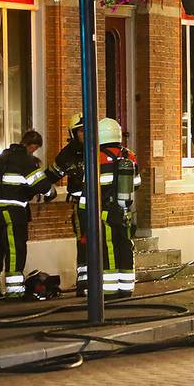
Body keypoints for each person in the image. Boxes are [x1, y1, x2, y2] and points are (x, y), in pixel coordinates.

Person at [0, 131, 62, 299]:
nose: (34, 152)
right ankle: (14, 290)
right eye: (35, 149)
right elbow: (40, 184)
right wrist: (51, 193)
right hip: (14, 212)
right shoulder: (26, 160)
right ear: (32, 145)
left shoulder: (3, 156)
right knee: (15, 249)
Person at [78, 118, 141, 299]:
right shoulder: (130, 155)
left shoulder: (94, 158)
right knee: (125, 246)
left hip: (104, 212)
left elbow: (87, 190)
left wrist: (84, 216)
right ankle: (126, 286)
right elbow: (136, 184)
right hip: (125, 211)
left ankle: (110, 288)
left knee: (108, 248)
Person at [52, 115, 87, 296]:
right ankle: (84, 282)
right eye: (81, 131)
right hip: (80, 207)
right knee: (84, 242)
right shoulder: (67, 154)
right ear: (73, 133)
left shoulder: (99, 150)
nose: (85, 134)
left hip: (102, 205)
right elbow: (52, 174)